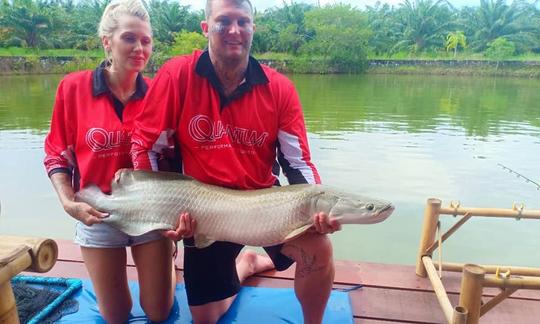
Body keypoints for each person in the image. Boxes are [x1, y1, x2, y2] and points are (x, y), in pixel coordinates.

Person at [131, 0, 341, 323]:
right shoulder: (178, 75)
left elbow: (298, 163)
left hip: (264, 207)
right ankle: (247, 265)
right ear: (206, 28)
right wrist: (163, 209)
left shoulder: (280, 89)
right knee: (205, 318)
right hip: (202, 209)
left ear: (252, 29)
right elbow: (147, 146)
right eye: (223, 21)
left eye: (243, 22)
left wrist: (318, 206)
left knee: (319, 249)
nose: (234, 30)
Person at [43, 1, 175, 323]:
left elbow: (173, 158)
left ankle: (166, 261)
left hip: (150, 212)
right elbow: (56, 153)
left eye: (145, 40)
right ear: (107, 42)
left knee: (159, 312)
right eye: (129, 38)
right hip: (97, 213)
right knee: (116, 315)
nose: (139, 48)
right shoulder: (73, 89)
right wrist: (68, 202)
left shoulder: (159, 93)